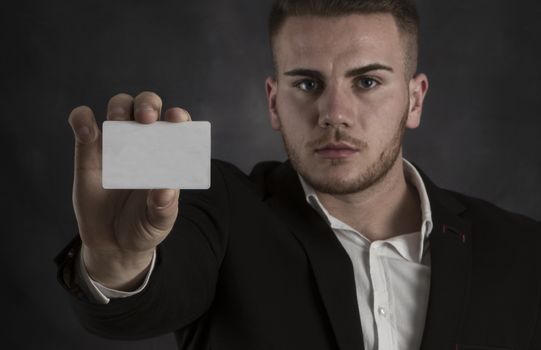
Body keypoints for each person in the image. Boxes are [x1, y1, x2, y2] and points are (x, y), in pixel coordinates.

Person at [56, 0, 541, 349]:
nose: (334, 113)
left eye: (367, 81)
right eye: (308, 83)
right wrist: (117, 263)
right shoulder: (220, 207)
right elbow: (136, 309)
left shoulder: (522, 251)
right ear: (273, 101)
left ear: (414, 99)